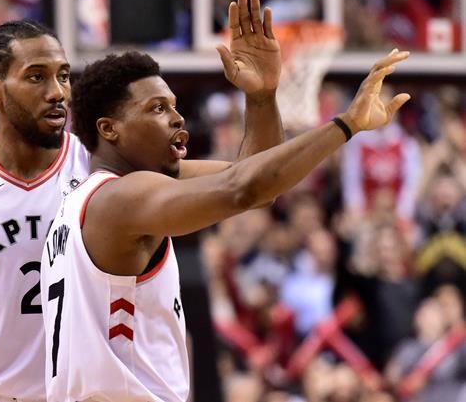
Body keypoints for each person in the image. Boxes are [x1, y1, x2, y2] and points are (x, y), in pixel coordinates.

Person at [0, 0, 285, 402]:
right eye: (36, 77)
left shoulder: (107, 166)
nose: (57, 93)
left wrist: (262, 98)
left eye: (64, 76)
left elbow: (251, 184)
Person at [39, 46, 410, 400]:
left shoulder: (87, 200)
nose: (177, 118)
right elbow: (244, 188)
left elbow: (259, 184)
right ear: (109, 129)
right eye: (157, 108)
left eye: (174, 105)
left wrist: (261, 97)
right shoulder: (123, 198)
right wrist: (346, 124)